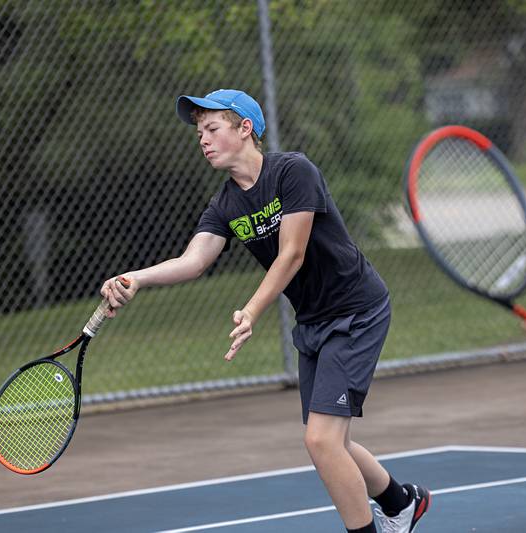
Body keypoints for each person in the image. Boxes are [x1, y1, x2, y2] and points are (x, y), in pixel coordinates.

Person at [100, 89, 431, 533]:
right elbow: (194, 261)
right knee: (332, 441)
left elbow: (291, 253)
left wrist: (252, 310)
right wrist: (135, 277)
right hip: (313, 322)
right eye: (199, 132)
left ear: (245, 129)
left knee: (320, 440)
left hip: (355, 312)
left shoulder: (293, 171)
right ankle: (400, 502)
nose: (203, 139)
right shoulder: (225, 204)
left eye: (212, 128)